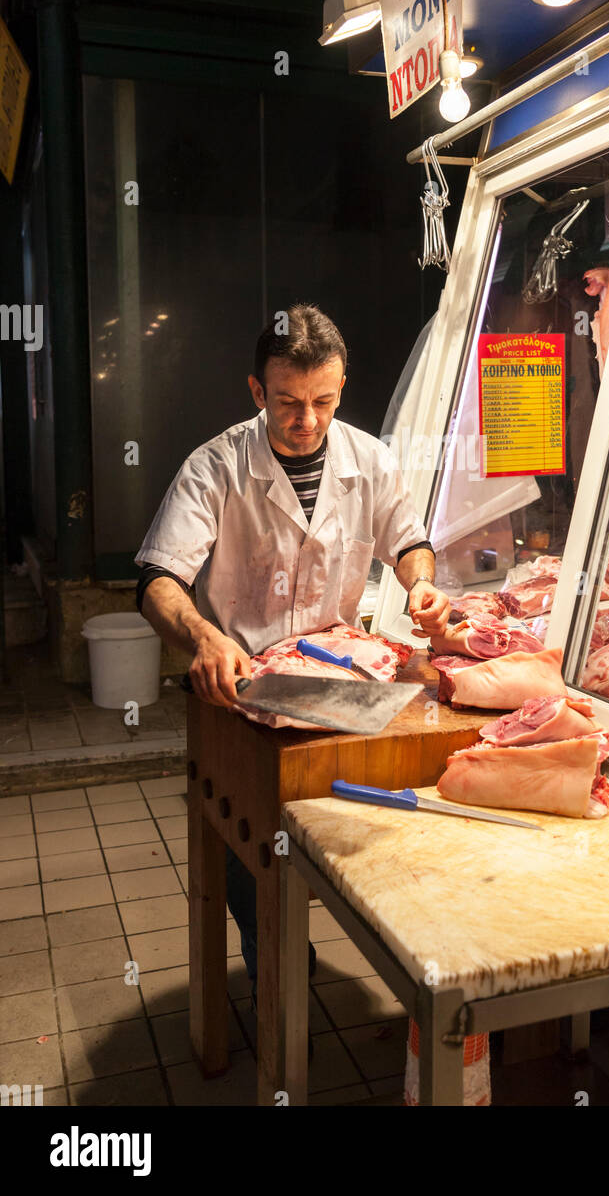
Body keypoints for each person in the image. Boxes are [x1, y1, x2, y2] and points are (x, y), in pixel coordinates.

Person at [135, 305, 450, 1016]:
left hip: (340, 674)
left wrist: (421, 583)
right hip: (245, 682)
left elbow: (408, 541)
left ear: (340, 388)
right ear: (257, 391)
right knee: (255, 843)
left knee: (360, 823)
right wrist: (203, 637)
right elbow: (156, 580)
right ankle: (278, 973)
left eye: (323, 401)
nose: (306, 418)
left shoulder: (368, 458)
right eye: (288, 402)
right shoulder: (214, 466)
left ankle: (392, 952)